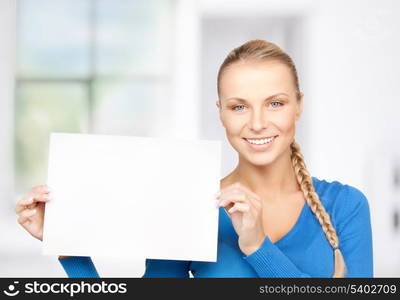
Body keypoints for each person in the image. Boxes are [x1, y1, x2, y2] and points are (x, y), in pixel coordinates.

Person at [15, 39, 373, 278]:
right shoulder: (185, 206)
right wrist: (66, 244)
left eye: (275, 103)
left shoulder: (346, 206)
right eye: (239, 106)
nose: (258, 122)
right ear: (221, 113)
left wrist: (257, 246)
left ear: (299, 105)